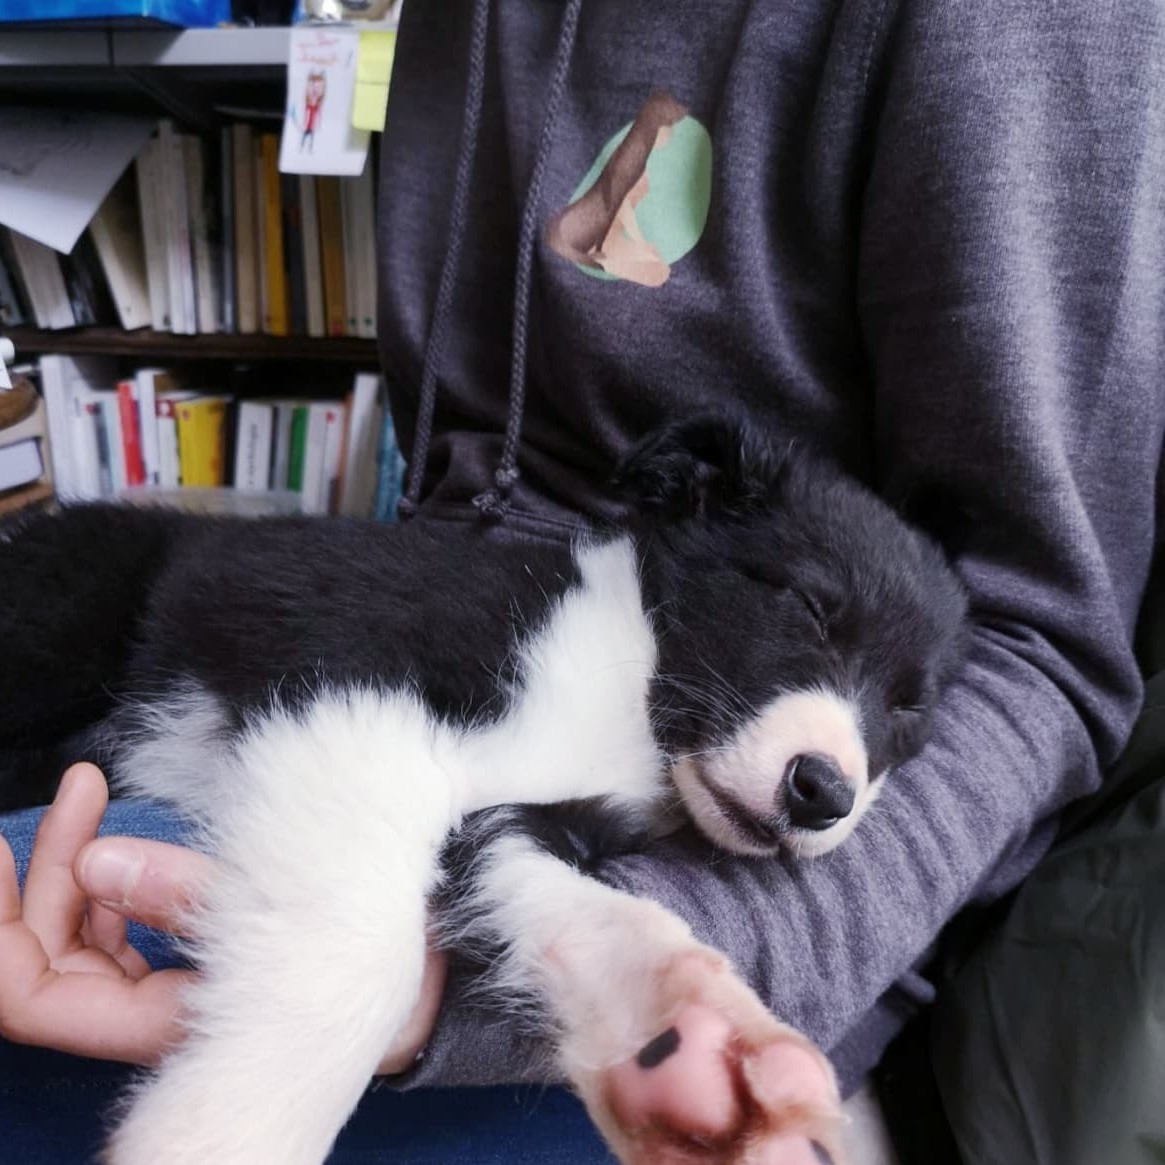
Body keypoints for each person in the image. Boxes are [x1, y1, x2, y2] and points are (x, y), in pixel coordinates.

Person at [2, 0, 1163, 1161]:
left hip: (675, 881)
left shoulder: (1024, 31)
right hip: (227, 677)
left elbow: (1037, 646)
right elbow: (394, 744)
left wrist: (665, 958)